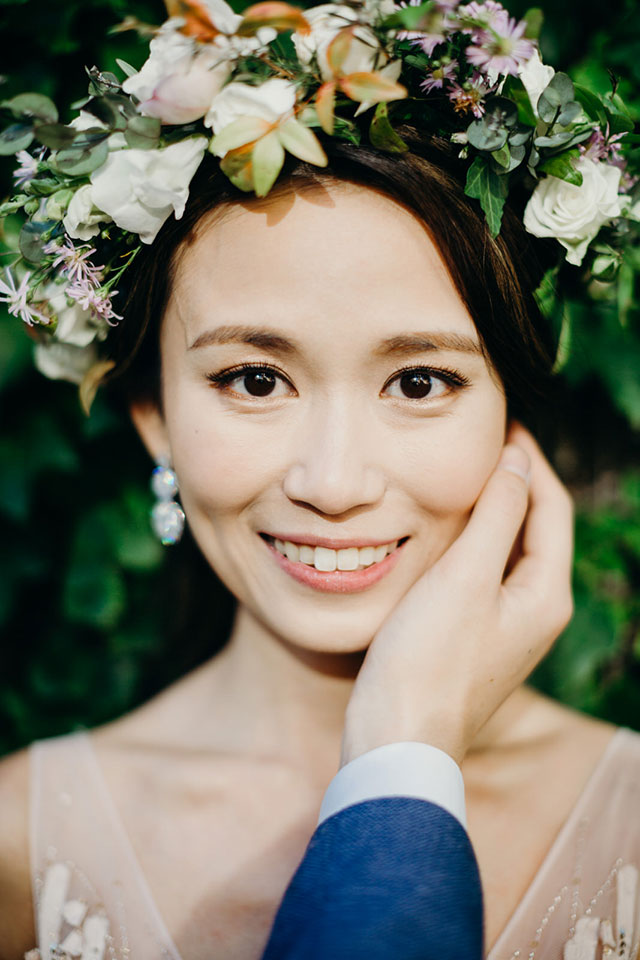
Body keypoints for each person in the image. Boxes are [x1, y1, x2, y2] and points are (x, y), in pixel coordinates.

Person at [0, 1, 639, 957]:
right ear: (153, 420)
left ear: (511, 422)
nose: (333, 482)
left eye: (420, 382)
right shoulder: (18, 842)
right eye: (254, 380)